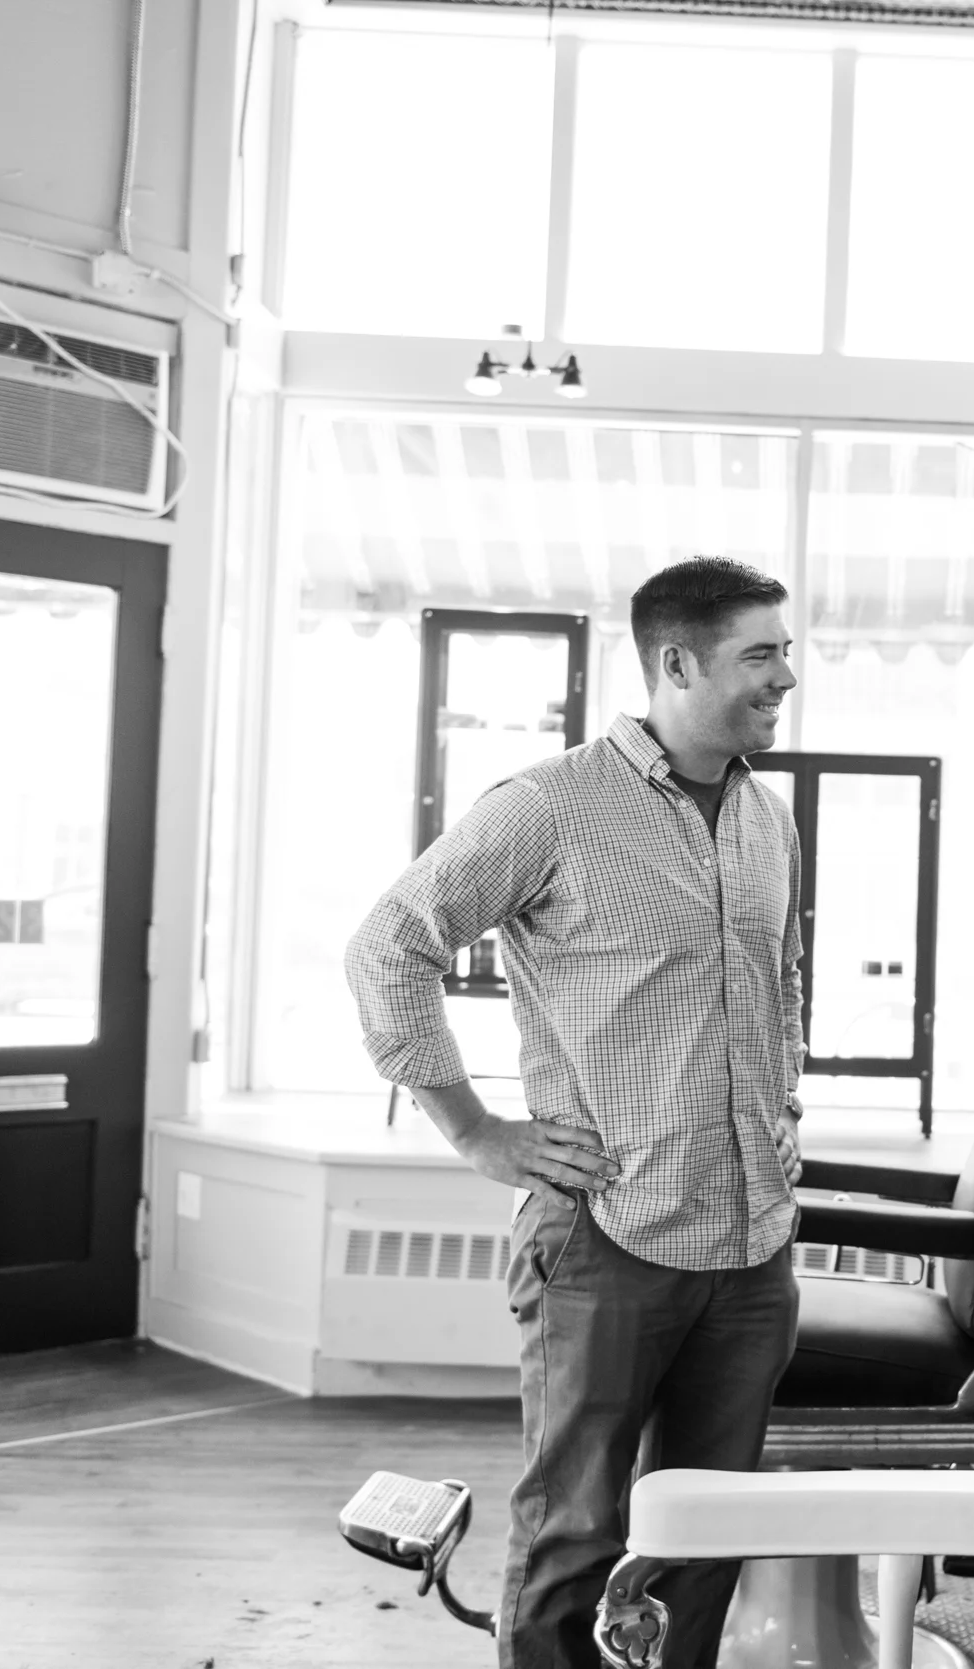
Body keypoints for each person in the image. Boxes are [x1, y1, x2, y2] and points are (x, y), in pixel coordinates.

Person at [345, 556, 807, 1669]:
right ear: (677, 664)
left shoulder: (767, 817)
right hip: (607, 1235)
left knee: (704, 1533)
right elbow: (388, 948)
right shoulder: (549, 806)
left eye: (785, 652)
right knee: (576, 1531)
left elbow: (779, 977)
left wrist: (782, 1105)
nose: (785, 677)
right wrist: (474, 1130)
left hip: (753, 1246)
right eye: (761, 654)